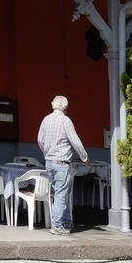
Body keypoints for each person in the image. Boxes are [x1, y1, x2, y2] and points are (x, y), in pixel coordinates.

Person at [37, 95, 89, 235]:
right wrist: (84, 157)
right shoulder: (65, 120)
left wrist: (47, 154)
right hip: (61, 162)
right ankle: (57, 225)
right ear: (65, 107)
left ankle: (66, 221)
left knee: (59, 193)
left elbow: (40, 140)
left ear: (53, 105)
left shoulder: (46, 119)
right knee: (61, 193)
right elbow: (75, 141)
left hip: (49, 162)